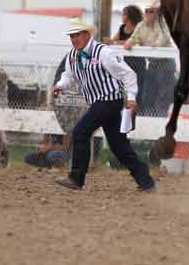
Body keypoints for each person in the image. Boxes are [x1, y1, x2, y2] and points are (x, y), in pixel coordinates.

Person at [52, 18, 155, 192]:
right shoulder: (72, 56)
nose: (73, 39)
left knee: (80, 131)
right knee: (119, 147)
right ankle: (146, 181)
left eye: (76, 35)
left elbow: (128, 75)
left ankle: (77, 178)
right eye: (71, 36)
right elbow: (68, 76)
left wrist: (131, 98)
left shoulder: (104, 53)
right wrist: (60, 86)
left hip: (109, 100)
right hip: (100, 102)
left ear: (86, 35)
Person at [124, 0, 175, 117]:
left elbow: (163, 38)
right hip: (153, 64)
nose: (147, 13)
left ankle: (159, 123)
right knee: (147, 95)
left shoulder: (162, 24)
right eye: (146, 11)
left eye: (151, 11)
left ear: (157, 13)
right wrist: (130, 42)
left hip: (166, 64)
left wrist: (156, 44)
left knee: (162, 97)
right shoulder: (141, 25)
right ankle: (145, 120)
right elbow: (133, 38)